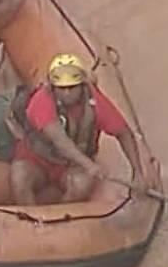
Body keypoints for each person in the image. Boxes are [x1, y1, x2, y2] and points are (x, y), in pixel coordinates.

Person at [8, 54, 152, 205]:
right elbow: (59, 139)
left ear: (82, 85)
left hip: (71, 166)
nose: (67, 93)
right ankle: (31, 219)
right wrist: (89, 165)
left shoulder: (95, 103)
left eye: (72, 87)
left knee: (82, 185)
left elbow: (123, 133)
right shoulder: (41, 100)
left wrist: (138, 172)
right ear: (52, 87)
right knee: (19, 177)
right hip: (38, 159)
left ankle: (63, 214)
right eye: (61, 88)